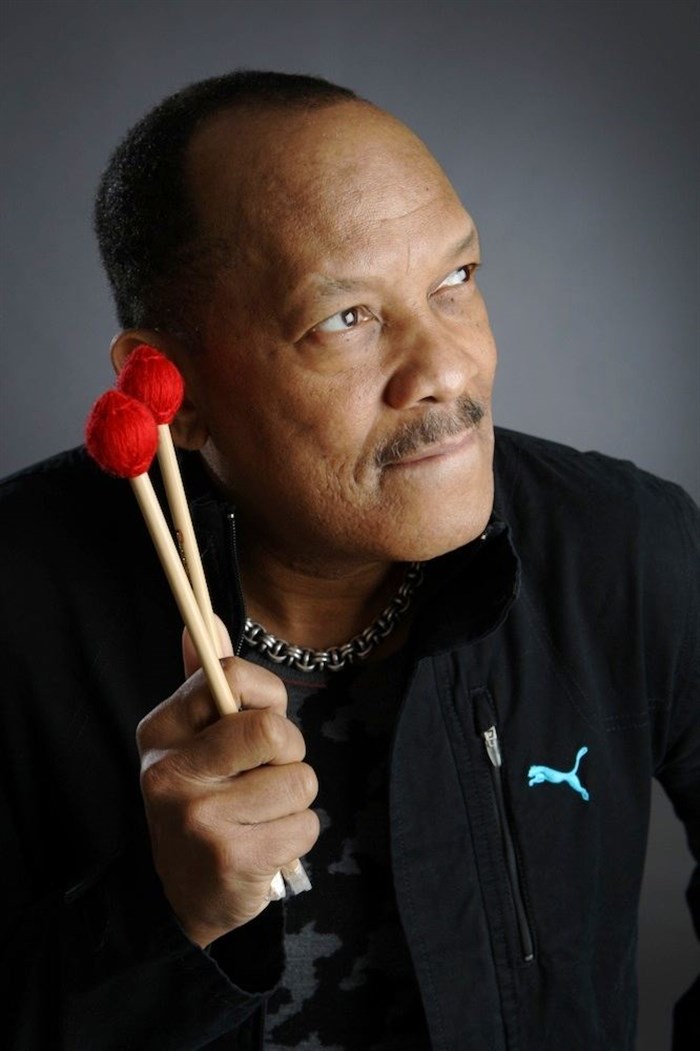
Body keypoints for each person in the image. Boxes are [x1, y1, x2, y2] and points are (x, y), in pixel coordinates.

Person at [1, 70, 697, 1051]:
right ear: (173, 389)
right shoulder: (19, 603)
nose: (448, 368)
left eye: (456, 280)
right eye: (345, 319)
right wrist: (166, 916)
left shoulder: (623, 546)